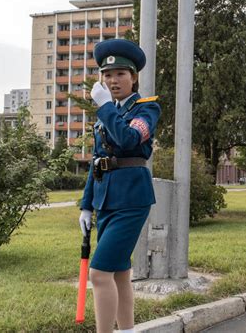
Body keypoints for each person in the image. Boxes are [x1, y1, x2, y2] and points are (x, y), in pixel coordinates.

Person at [78, 39, 161, 333]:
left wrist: (103, 107)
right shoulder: (106, 115)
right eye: (107, 75)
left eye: (120, 74)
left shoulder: (147, 109)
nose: (112, 81)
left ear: (133, 77)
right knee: (119, 274)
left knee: (100, 273)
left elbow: (127, 140)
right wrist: (86, 205)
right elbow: (98, 161)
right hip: (106, 200)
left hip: (132, 199)